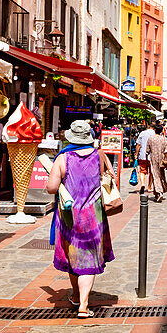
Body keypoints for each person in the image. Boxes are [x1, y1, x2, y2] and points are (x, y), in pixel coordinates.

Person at [46, 119, 115, 319]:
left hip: (70, 216)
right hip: (94, 216)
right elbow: (112, 181)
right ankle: (83, 304)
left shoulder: (63, 158)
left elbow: (51, 187)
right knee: (88, 258)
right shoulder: (100, 156)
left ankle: (76, 296)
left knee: (72, 255)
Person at [146, 121, 167, 202]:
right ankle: (156, 194)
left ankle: (159, 192)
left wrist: (146, 160)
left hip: (153, 159)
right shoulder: (163, 139)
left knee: (155, 175)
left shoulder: (150, 139)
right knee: (161, 176)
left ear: (155, 130)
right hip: (162, 159)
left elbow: (147, 151)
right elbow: (166, 152)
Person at [135, 122, 155, 192]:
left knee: (142, 171)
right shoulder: (155, 134)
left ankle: (142, 184)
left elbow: (138, 145)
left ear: (148, 126)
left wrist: (136, 154)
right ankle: (149, 187)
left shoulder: (142, 133)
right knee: (151, 172)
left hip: (142, 155)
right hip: (151, 156)